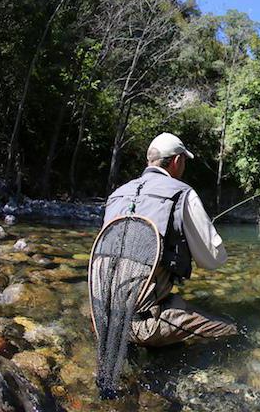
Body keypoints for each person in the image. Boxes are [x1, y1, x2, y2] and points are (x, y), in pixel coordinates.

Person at [102, 132, 238, 347]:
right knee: (230, 330)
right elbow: (213, 259)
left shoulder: (118, 193)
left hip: (102, 316)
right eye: (184, 160)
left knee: (172, 302)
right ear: (177, 161)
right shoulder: (182, 193)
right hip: (139, 324)